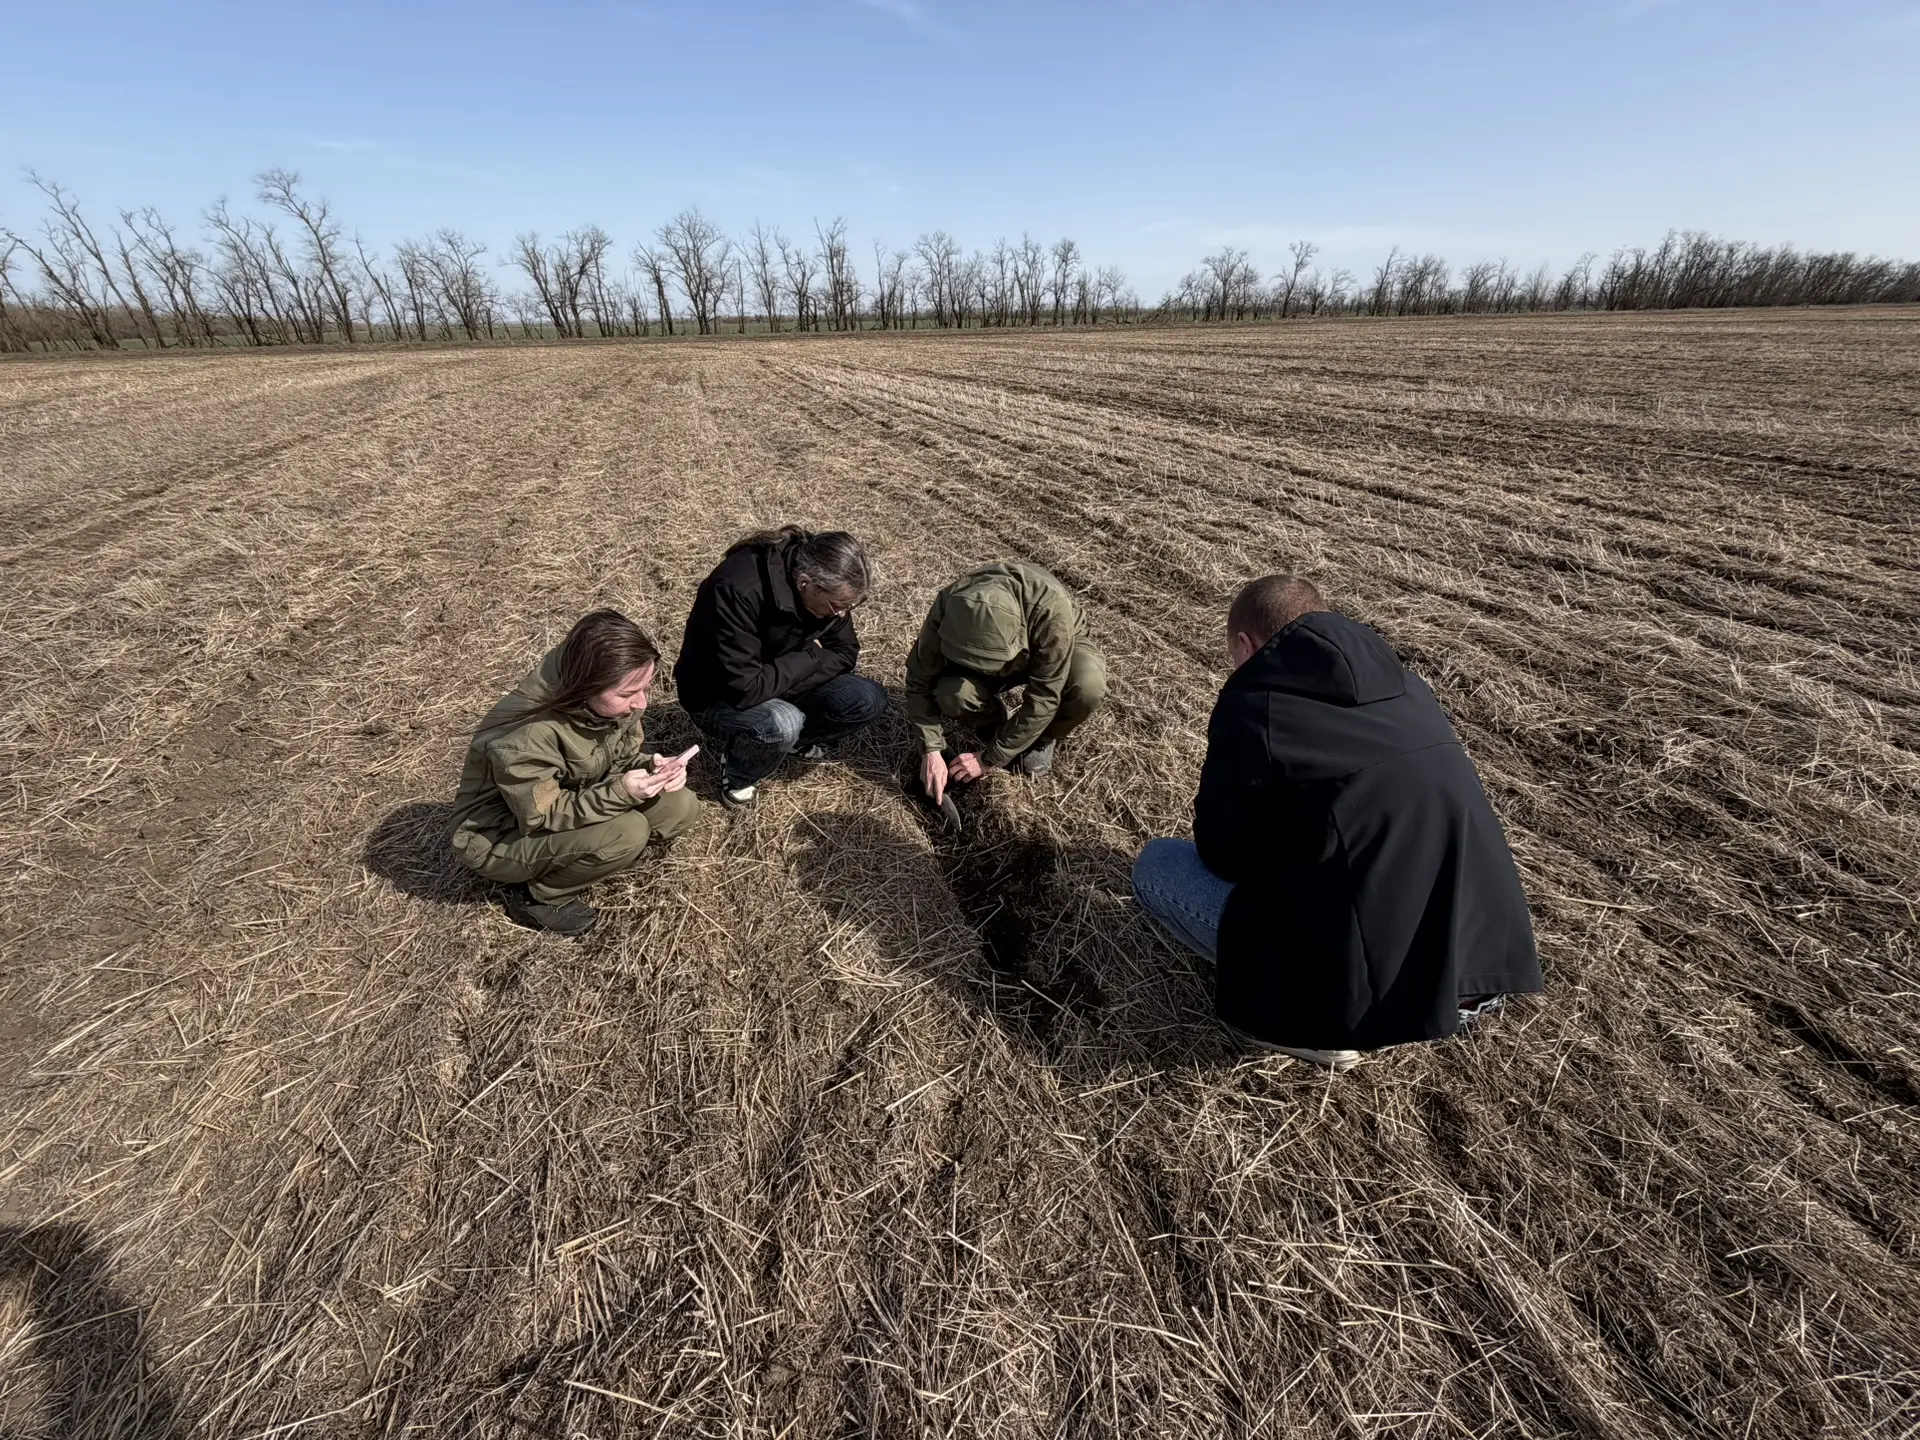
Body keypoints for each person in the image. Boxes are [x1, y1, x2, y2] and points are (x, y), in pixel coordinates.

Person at [1132, 574, 1541, 1071]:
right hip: (1477, 966)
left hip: (1363, 993)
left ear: (1246, 644)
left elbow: (1223, 853)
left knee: (1156, 866)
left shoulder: (1254, 707)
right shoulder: (1407, 686)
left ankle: (1319, 1029)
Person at [450, 609, 702, 937]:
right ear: (586, 686)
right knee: (627, 833)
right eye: (628, 694)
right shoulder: (526, 736)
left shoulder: (609, 694)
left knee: (680, 806)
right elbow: (543, 813)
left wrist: (650, 769)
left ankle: (593, 856)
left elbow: (620, 756)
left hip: (575, 791)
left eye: (646, 687)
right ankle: (538, 897)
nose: (641, 704)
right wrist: (621, 794)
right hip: (500, 832)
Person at [674, 526, 887, 807]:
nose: (842, 615)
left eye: (850, 606)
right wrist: (811, 656)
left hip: (774, 678)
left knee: (867, 698)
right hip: (716, 695)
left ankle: (787, 740)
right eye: (837, 605)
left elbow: (845, 652)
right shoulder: (736, 589)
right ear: (805, 583)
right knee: (783, 722)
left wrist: (783, 677)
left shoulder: (824, 589)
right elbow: (745, 689)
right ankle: (739, 774)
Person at [907, 561, 1108, 803]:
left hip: (1054, 642)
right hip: (1004, 647)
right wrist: (930, 749)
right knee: (953, 694)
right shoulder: (950, 604)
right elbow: (919, 679)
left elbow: (1045, 696)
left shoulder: (1052, 612)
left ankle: (1041, 740)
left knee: (1087, 686)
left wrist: (988, 760)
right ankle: (995, 728)